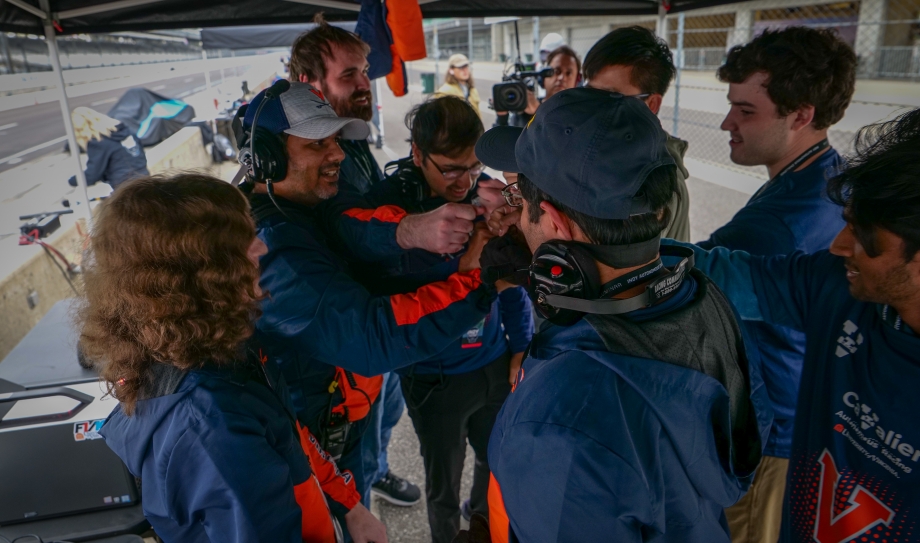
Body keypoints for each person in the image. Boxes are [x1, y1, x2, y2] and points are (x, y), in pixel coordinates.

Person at [475, 87, 771, 542]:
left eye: (517, 198)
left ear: (553, 220)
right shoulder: (705, 298)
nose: (513, 217)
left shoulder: (556, 423)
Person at [238, 81, 497, 540]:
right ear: (267, 158)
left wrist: (413, 229)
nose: (336, 155)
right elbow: (375, 336)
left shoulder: (306, 208)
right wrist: (482, 277)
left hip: (337, 425)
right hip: (308, 444)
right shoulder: (275, 250)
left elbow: (350, 226)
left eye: (336, 141)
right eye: (317, 144)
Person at [86, 174, 386, 543]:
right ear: (200, 272)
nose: (261, 249)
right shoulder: (214, 424)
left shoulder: (215, 345)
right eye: (243, 242)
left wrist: (348, 507)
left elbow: (292, 438)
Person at [667, 107, 920, 543]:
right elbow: (718, 273)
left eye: (864, 237)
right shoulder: (836, 287)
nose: (839, 247)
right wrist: (607, 248)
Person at [348, 95, 533, 543]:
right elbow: (387, 301)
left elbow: (508, 279)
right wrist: (465, 260)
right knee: (443, 485)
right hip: (432, 375)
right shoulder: (388, 211)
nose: (463, 181)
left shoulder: (484, 192)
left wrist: (520, 346)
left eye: (473, 167)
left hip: (492, 359)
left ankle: (483, 524)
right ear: (416, 153)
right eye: (451, 169)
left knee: (496, 464)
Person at [699, 27, 858, 543]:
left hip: (769, 439)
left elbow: (684, 282)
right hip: (802, 416)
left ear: (801, 115)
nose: (727, 123)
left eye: (746, 111)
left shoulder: (774, 225)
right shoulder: (831, 180)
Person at [289, 16, 422, 508]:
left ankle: (377, 471)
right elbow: (347, 227)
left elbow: (369, 204)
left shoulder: (353, 134)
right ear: (310, 85)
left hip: (376, 314)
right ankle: (359, 504)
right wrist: (411, 230)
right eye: (350, 75)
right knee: (351, 455)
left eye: (365, 71)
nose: (366, 82)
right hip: (343, 338)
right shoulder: (299, 157)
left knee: (387, 413)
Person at [582, 26, 691, 242]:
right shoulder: (607, 150)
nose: (592, 106)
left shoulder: (656, 180)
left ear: (651, 104)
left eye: (609, 97)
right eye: (587, 92)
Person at [494, 46, 581, 128]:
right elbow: (500, 143)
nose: (561, 78)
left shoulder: (579, 118)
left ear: (576, 81)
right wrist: (502, 118)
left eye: (568, 73)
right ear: (543, 77)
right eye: (556, 71)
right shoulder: (524, 109)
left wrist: (537, 113)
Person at [67, 106, 148, 191]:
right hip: (144, 179)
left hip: (125, 188)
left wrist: (72, 181)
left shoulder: (98, 142)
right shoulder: (124, 131)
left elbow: (92, 175)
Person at [435, 54, 481, 118]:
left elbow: (478, 116)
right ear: (451, 70)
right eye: (461, 67)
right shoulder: (444, 92)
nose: (465, 70)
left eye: (466, 66)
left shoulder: (473, 90)